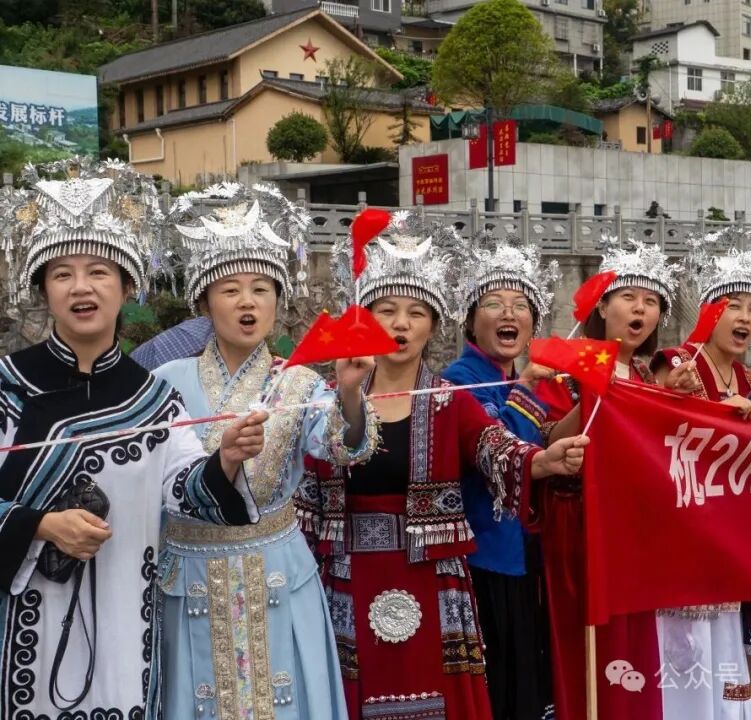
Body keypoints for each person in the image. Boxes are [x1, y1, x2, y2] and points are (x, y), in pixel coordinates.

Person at [0, 161, 267, 719]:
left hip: (126, 627)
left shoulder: (153, 399)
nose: (81, 287)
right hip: (21, 629)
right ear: (44, 290)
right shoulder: (9, 386)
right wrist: (39, 524)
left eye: (99, 271)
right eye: (62, 274)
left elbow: (187, 490)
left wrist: (225, 458)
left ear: (127, 287)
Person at [311, 211, 589, 720]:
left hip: (432, 573)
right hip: (352, 574)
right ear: (364, 319)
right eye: (387, 310)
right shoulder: (326, 399)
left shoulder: (449, 400)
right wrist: (349, 395)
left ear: (434, 326)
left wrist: (543, 460)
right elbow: (322, 466)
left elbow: (496, 448)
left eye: (416, 313)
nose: (401, 324)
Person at [152, 183, 378, 720]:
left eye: (260, 288)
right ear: (205, 303)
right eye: (230, 289)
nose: (247, 301)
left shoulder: (299, 382)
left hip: (276, 569)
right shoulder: (164, 383)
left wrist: (349, 393)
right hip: (191, 570)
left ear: (278, 299)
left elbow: (341, 446)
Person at [651, 245, 751, 720]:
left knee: (728, 643)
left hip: (732, 538)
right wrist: (682, 400)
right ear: (708, 313)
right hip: (684, 532)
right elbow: (648, 427)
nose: (745, 318)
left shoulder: (750, 381)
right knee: (686, 647)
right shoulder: (676, 363)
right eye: (732, 306)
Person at [538, 238, 679, 720]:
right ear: (602, 306)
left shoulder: (645, 375)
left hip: (634, 529)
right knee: (588, 650)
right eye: (629, 297)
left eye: (651, 302)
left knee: (634, 649)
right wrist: (592, 396)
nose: (640, 309)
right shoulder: (567, 365)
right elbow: (545, 441)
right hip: (579, 522)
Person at [441, 233, 561, 720]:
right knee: (497, 690)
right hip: (483, 556)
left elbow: (544, 443)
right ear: (471, 320)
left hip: (522, 553)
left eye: (520, 305)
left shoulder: (512, 378)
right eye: (493, 303)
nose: (508, 313)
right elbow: (497, 453)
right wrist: (528, 388)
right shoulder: (458, 379)